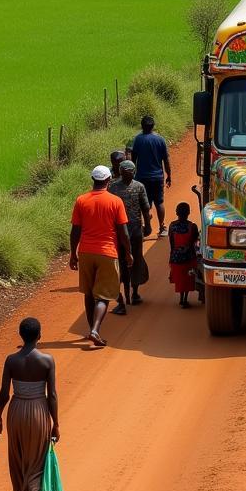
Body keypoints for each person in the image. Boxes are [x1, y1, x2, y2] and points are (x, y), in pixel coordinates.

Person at [0, 318, 59, 491]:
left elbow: (4, 393)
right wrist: (56, 422)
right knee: (36, 458)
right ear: (40, 335)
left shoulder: (11, 360)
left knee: (18, 454)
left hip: (16, 409)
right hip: (38, 409)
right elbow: (53, 395)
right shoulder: (47, 360)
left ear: (21, 335)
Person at [69, 166, 132, 348]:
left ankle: (91, 329)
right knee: (103, 295)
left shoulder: (81, 200)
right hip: (107, 252)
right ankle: (95, 330)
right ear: (109, 180)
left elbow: (75, 230)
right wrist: (128, 253)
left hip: (86, 252)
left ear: (93, 180)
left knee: (88, 294)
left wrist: (73, 254)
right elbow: (123, 232)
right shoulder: (115, 201)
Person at [109, 159, 151, 310]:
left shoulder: (134, 187)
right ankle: (129, 293)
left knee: (132, 260)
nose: (128, 175)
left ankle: (133, 293)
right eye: (126, 173)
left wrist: (148, 225)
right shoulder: (114, 188)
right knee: (127, 261)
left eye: (130, 173)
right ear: (121, 172)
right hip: (124, 231)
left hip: (131, 231)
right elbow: (145, 208)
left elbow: (145, 208)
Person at [128, 115, 172, 237]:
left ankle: (146, 225)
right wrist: (169, 175)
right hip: (157, 177)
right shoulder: (160, 140)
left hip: (141, 177)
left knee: (143, 203)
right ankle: (162, 227)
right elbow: (166, 160)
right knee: (159, 202)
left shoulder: (138, 140)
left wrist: (132, 175)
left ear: (142, 126)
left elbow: (133, 159)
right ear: (153, 126)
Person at [168, 202, 200, 308]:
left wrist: (171, 256)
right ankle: (185, 299)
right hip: (189, 258)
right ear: (189, 213)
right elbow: (195, 241)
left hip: (176, 258)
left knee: (180, 279)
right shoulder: (192, 226)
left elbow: (172, 244)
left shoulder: (172, 226)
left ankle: (181, 299)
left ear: (176, 212)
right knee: (188, 279)